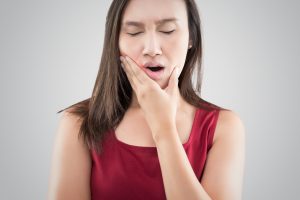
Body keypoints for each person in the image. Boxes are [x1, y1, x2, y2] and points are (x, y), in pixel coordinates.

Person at [47, 0, 245, 199]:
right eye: (134, 32)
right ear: (115, 41)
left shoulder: (223, 127)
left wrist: (163, 128)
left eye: (168, 30)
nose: (152, 49)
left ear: (191, 37)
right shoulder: (78, 123)